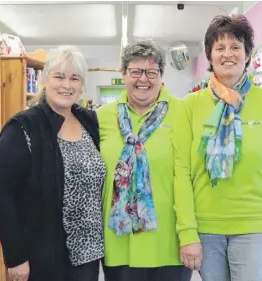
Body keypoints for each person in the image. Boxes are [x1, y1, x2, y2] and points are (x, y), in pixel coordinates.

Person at [174, 14, 262, 281]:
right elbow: (181, 172)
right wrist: (187, 231)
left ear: (247, 53)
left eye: (236, 47)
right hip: (206, 228)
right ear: (209, 55)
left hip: (255, 225)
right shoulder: (190, 105)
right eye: (220, 48)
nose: (228, 54)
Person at [0, 45, 105, 281]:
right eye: (59, 76)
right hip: (43, 256)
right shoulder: (23, 126)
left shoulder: (89, 121)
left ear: (81, 84)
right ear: (44, 79)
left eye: (74, 78)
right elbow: (1, 192)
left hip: (89, 255)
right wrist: (16, 257)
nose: (66, 85)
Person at [98, 39, 191, 281]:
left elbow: (189, 178)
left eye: (151, 72)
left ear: (161, 76)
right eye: (136, 71)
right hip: (119, 245)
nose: (143, 79)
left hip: (169, 244)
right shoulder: (100, 118)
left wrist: (191, 235)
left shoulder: (182, 112)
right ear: (123, 73)